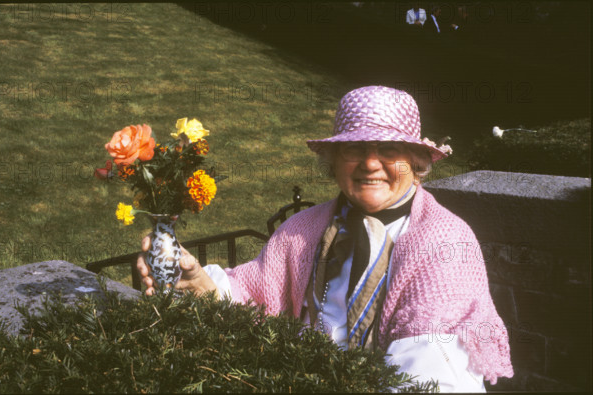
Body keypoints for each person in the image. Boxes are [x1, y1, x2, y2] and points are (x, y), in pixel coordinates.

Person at [137, 86, 514, 392]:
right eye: (354, 149)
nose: (370, 163)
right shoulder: (304, 228)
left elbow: (428, 372)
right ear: (333, 161)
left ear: (417, 162)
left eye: (389, 150)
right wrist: (202, 284)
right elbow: (255, 290)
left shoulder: (445, 242)